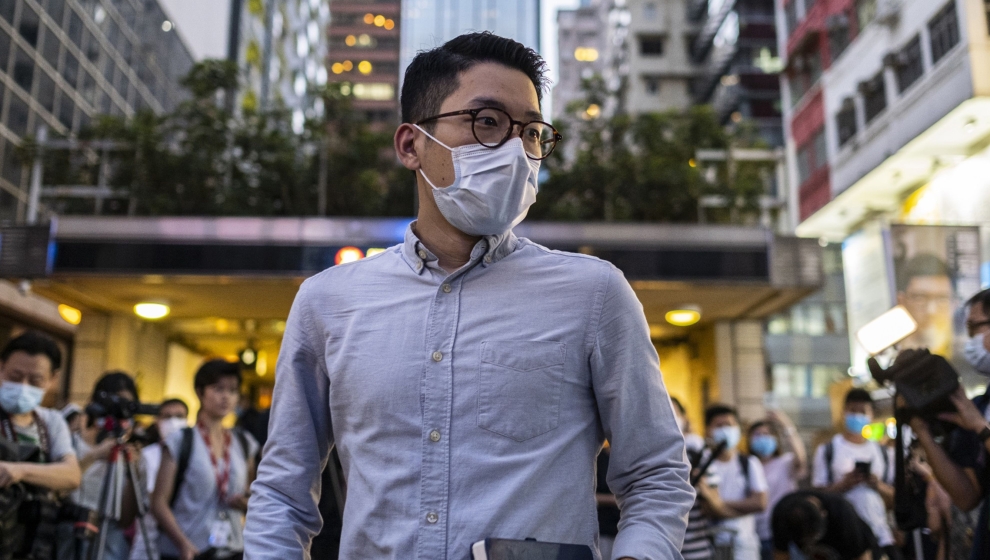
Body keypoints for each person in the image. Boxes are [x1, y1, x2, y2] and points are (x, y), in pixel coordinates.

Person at [245, 32, 694, 560]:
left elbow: (655, 476)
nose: (516, 151)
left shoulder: (594, 294)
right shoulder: (328, 301)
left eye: (532, 133)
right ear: (411, 145)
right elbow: (283, 492)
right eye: (487, 122)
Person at [911, 286, 990, 560]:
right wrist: (923, 434)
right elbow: (966, 497)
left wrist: (980, 427)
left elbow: (979, 426)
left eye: (975, 327)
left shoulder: (976, 416)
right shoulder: (981, 405)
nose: (971, 339)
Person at [151, 360, 258, 560]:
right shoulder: (181, 440)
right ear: (200, 393)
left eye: (233, 390)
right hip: (187, 551)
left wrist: (245, 503)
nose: (226, 397)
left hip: (232, 549)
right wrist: (183, 544)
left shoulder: (244, 443)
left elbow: (253, 495)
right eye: (218, 389)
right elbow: (158, 502)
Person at [0, 331, 81, 556]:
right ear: (1, 367)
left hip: (32, 543)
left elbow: (71, 475)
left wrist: (19, 471)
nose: (23, 386)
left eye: (35, 381)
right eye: (15, 377)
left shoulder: (51, 422)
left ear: (53, 379)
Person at [811, 388, 898, 559]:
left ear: (871, 415)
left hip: (879, 533)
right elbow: (817, 495)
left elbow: (896, 496)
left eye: (862, 412)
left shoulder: (883, 453)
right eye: (853, 411)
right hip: (842, 535)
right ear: (843, 412)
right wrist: (844, 485)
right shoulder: (828, 450)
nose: (857, 416)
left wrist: (877, 485)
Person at [72, 371, 144, 560]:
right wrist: (96, 454)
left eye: (125, 405)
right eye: (114, 403)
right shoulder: (73, 443)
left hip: (110, 534)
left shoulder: (129, 453)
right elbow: (62, 486)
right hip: (73, 526)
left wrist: (135, 471)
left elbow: (126, 519)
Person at [699, 404, 767, 560]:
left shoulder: (749, 463)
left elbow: (760, 503)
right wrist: (744, 506)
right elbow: (706, 508)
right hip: (710, 546)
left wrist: (718, 503)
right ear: (708, 430)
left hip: (745, 547)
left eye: (729, 425)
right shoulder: (702, 463)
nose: (725, 430)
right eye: (719, 426)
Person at [129, 398, 189, 560]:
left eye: (179, 416)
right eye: (167, 417)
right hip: (150, 545)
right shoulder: (148, 456)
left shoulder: (193, 455)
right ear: (157, 421)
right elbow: (155, 500)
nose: (173, 422)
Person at [748, 411, 807, 560]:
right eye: (757, 435)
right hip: (758, 535)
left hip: (787, 532)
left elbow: (800, 459)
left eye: (767, 434)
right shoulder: (747, 466)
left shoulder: (785, 463)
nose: (762, 438)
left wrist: (785, 424)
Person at [771, 490, 883, 560]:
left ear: (824, 513)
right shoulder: (782, 515)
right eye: (806, 540)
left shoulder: (841, 513)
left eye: (814, 537)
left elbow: (862, 556)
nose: (811, 542)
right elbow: (781, 555)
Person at [671, 397, 716, 560]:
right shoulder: (643, 455)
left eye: (674, 412)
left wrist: (703, 488)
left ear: (684, 418)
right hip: (658, 551)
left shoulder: (698, 452)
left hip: (696, 549)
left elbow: (714, 503)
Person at [895, 254, 954, 358]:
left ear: (954, 303)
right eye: (920, 298)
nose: (931, 311)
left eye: (942, 299)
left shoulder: (963, 359)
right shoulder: (889, 355)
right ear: (901, 301)